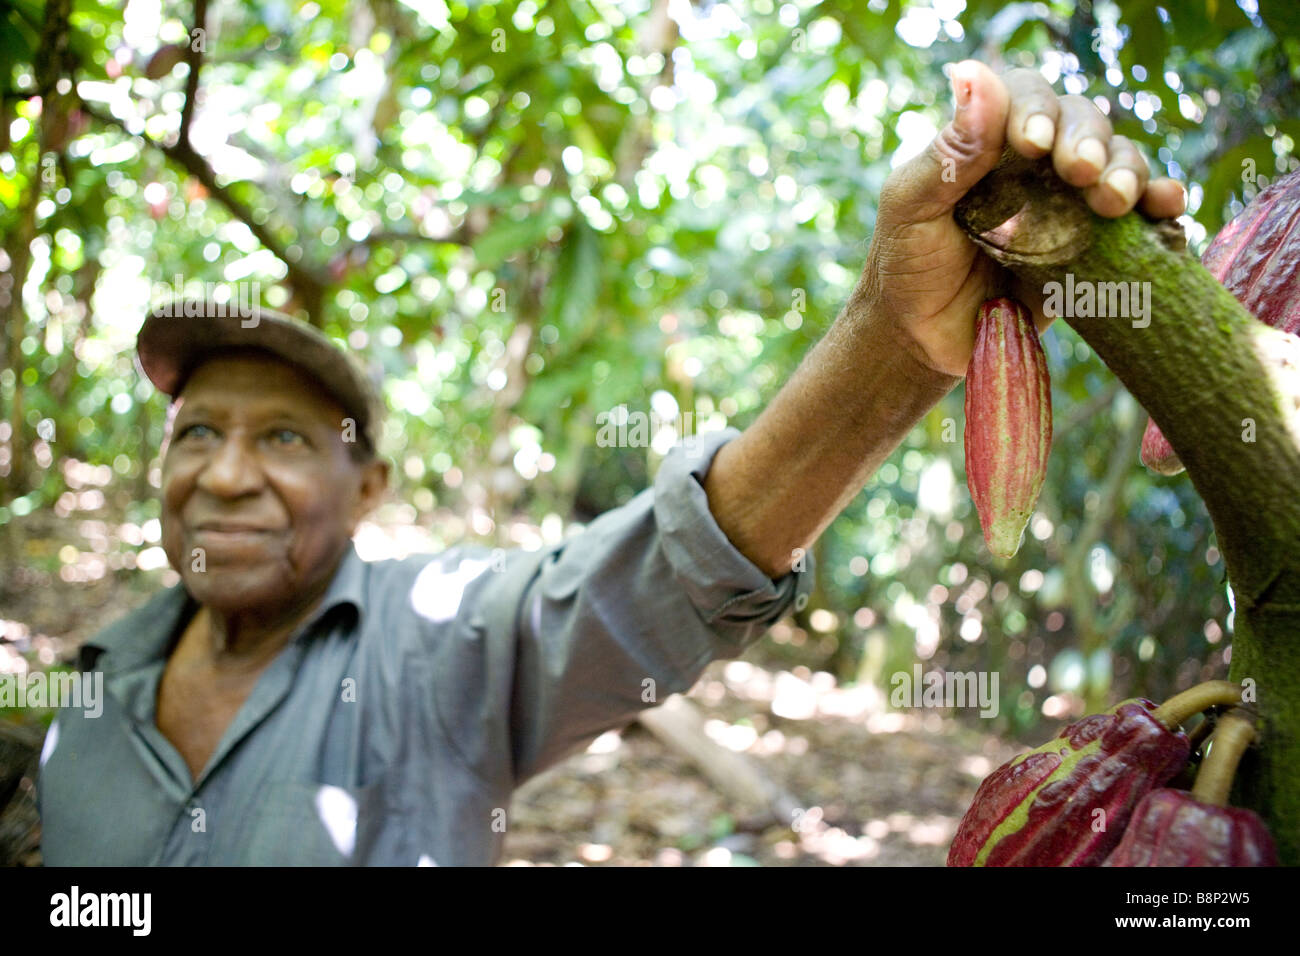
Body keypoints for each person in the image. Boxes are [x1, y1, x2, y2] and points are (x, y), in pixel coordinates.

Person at [36, 62, 1186, 865]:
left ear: (369, 487)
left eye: (283, 437)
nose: (226, 474)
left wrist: (892, 339)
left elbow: (665, 576)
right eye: (197, 431)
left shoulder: (436, 643)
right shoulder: (76, 694)